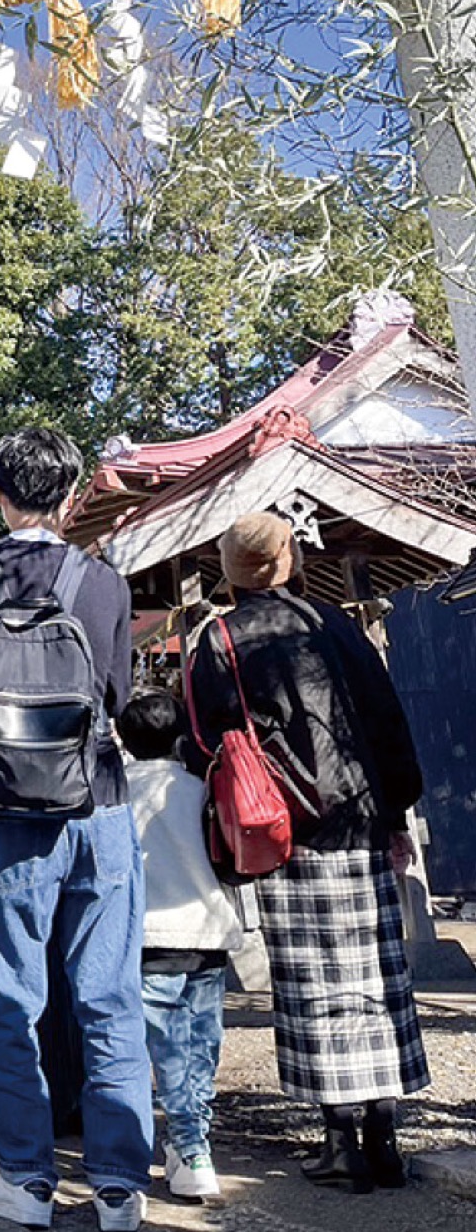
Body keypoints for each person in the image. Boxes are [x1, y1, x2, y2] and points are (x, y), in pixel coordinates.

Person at [0, 425, 153, 1232]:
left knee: (7, 994)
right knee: (108, 992)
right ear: (69, 498)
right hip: (95, 799)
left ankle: (26, 1177)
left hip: (4, 804)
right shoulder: (102, 581)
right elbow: (122, 696)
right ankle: (118, 1186)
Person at [190, 511, 429, 1193]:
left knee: (312, 987)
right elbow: (385, 718)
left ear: (232, 570)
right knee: (378, 982)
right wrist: (396, 813)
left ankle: (337, 1139)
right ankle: (386, 1136)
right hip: (362, 816)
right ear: (289, 559)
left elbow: (208, 738)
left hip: (286, 831)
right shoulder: (334, 624)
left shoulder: (221, 639)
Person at [117, 685, 243, 1200]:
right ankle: (194, 1145)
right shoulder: (199, 788)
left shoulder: (119, 793)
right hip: (209, 932)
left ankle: (188, 1147)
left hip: (150, 939)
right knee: (201, 1048)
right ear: (178, 739)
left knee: (166, 1050)